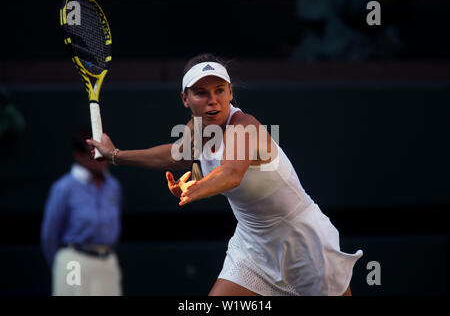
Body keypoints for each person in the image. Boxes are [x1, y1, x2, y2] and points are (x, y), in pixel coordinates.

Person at [87, 53, 363, 296]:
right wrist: (115, 155)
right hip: (253, 247)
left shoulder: (245, 126)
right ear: (185, 98)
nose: (212, 101)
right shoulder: (196, 129)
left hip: (303, 242)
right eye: (201, 93)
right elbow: (175, 156)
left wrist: (195, 188)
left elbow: (231, 174)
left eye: (219, 90)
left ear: (231, 92)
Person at [41, 128, 123, 296]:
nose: (102, 158)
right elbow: (49, 235)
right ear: (78, 155)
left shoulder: (113, 186)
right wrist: (62, 264)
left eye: (104, 151)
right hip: (74, 261)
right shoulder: (64, 188)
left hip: (107, 260)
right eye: (94, 152)